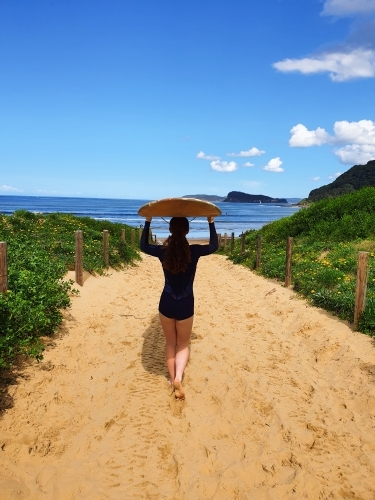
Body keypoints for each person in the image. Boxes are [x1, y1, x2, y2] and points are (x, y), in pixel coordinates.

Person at [140, 216, 218, 399]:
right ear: (188, 231)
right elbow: (214, 246)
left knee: (170, 343)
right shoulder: (194, 252)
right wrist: (211, 222)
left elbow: (143, 246)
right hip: (185, 302)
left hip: (166, 301)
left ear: (170, 230)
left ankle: (171, 377)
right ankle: (178, 377)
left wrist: (148, 221)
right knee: (183, 344)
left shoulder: (162, 252)